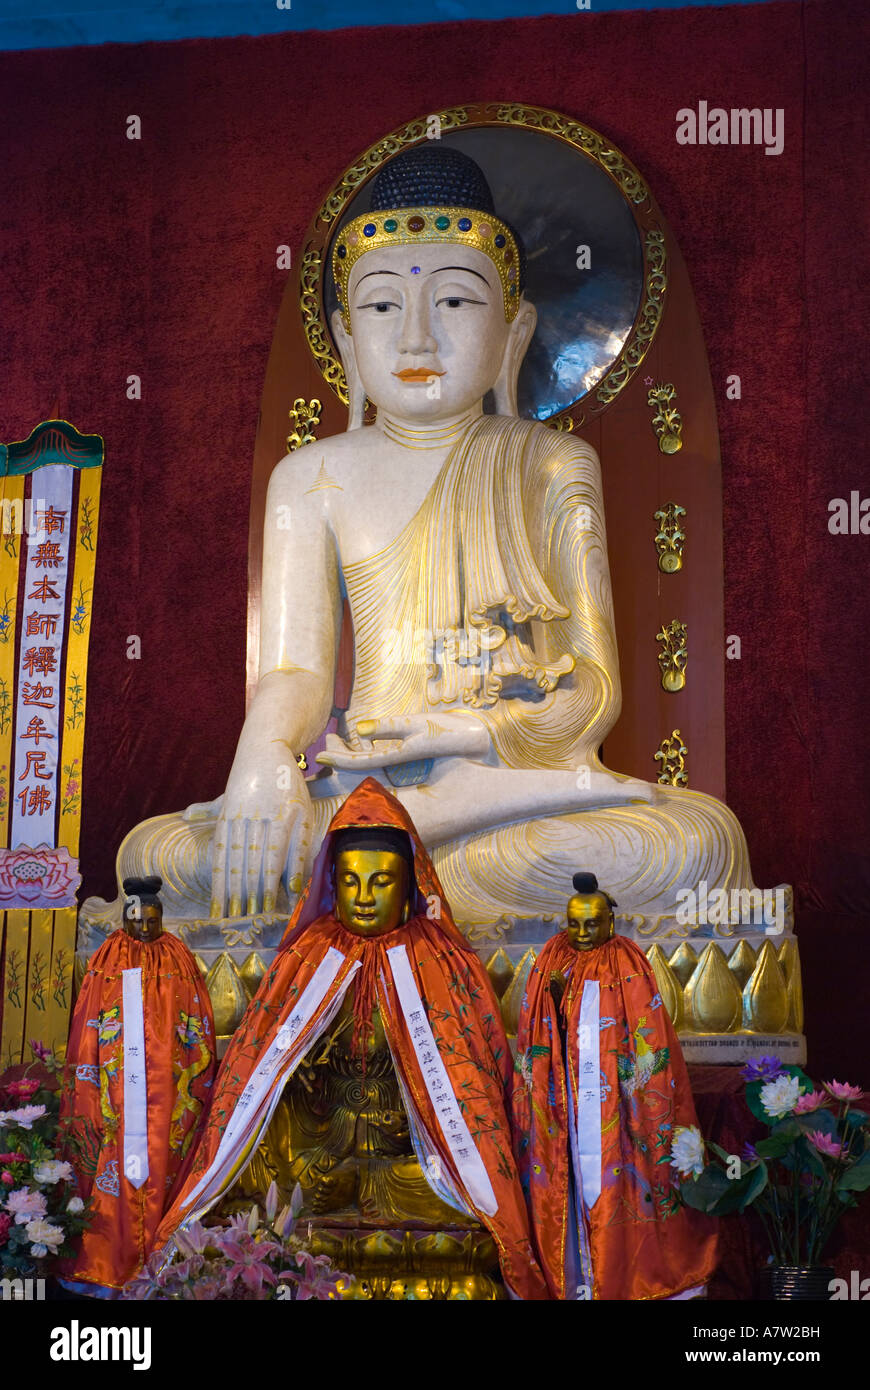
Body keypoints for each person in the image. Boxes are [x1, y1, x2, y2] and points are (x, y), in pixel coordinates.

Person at [100, 143, 755, 941]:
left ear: (515, 331)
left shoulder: (550, 464)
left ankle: (378, 886)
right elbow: (295, 670)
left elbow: (593, 688)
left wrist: (467, 734)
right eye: (381, 308)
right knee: (162, 852)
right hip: (364, 791)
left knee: (693, 847)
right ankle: (391, 868)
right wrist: (264, 756)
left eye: (453, 303)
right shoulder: (310, 478)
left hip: (501, 792)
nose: (415, 339)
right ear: (344, 337)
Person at [152, 778, 548, 1300]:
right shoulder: (309, 957)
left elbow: (473, 1094)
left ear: (409, 888)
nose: (363, 898)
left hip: (414, 1164)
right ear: (330, 884)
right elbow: (264, 1080)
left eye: (380, 882)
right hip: (321, 1153)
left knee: (460, 1220)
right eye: (350, 882)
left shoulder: (443, 963)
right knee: (263, 1196)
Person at [513, 872, 716, 1300]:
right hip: (562, 1095)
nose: (583, 934)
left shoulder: (628, 963)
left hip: (615, 1101)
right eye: (574, 924)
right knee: (562, 1175)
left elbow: (648, 1035)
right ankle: (569, 1280)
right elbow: (534, 1031)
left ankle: (626, 1276)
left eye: (593, 924)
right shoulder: (550, 957)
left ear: (611, 921)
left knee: (618, 1177)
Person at [59, 875, 215, 1295]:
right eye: (137, 920)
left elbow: (193, 1021)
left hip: (167, 1081)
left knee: (168, 1155)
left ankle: (168, 1258)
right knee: (112, 1156)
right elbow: (91, 1022)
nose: (145, 928)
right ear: (124, 917)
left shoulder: (178, 955)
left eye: (152, 920)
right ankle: (109, 1260)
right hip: (117, 1083)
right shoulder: (110, 955)